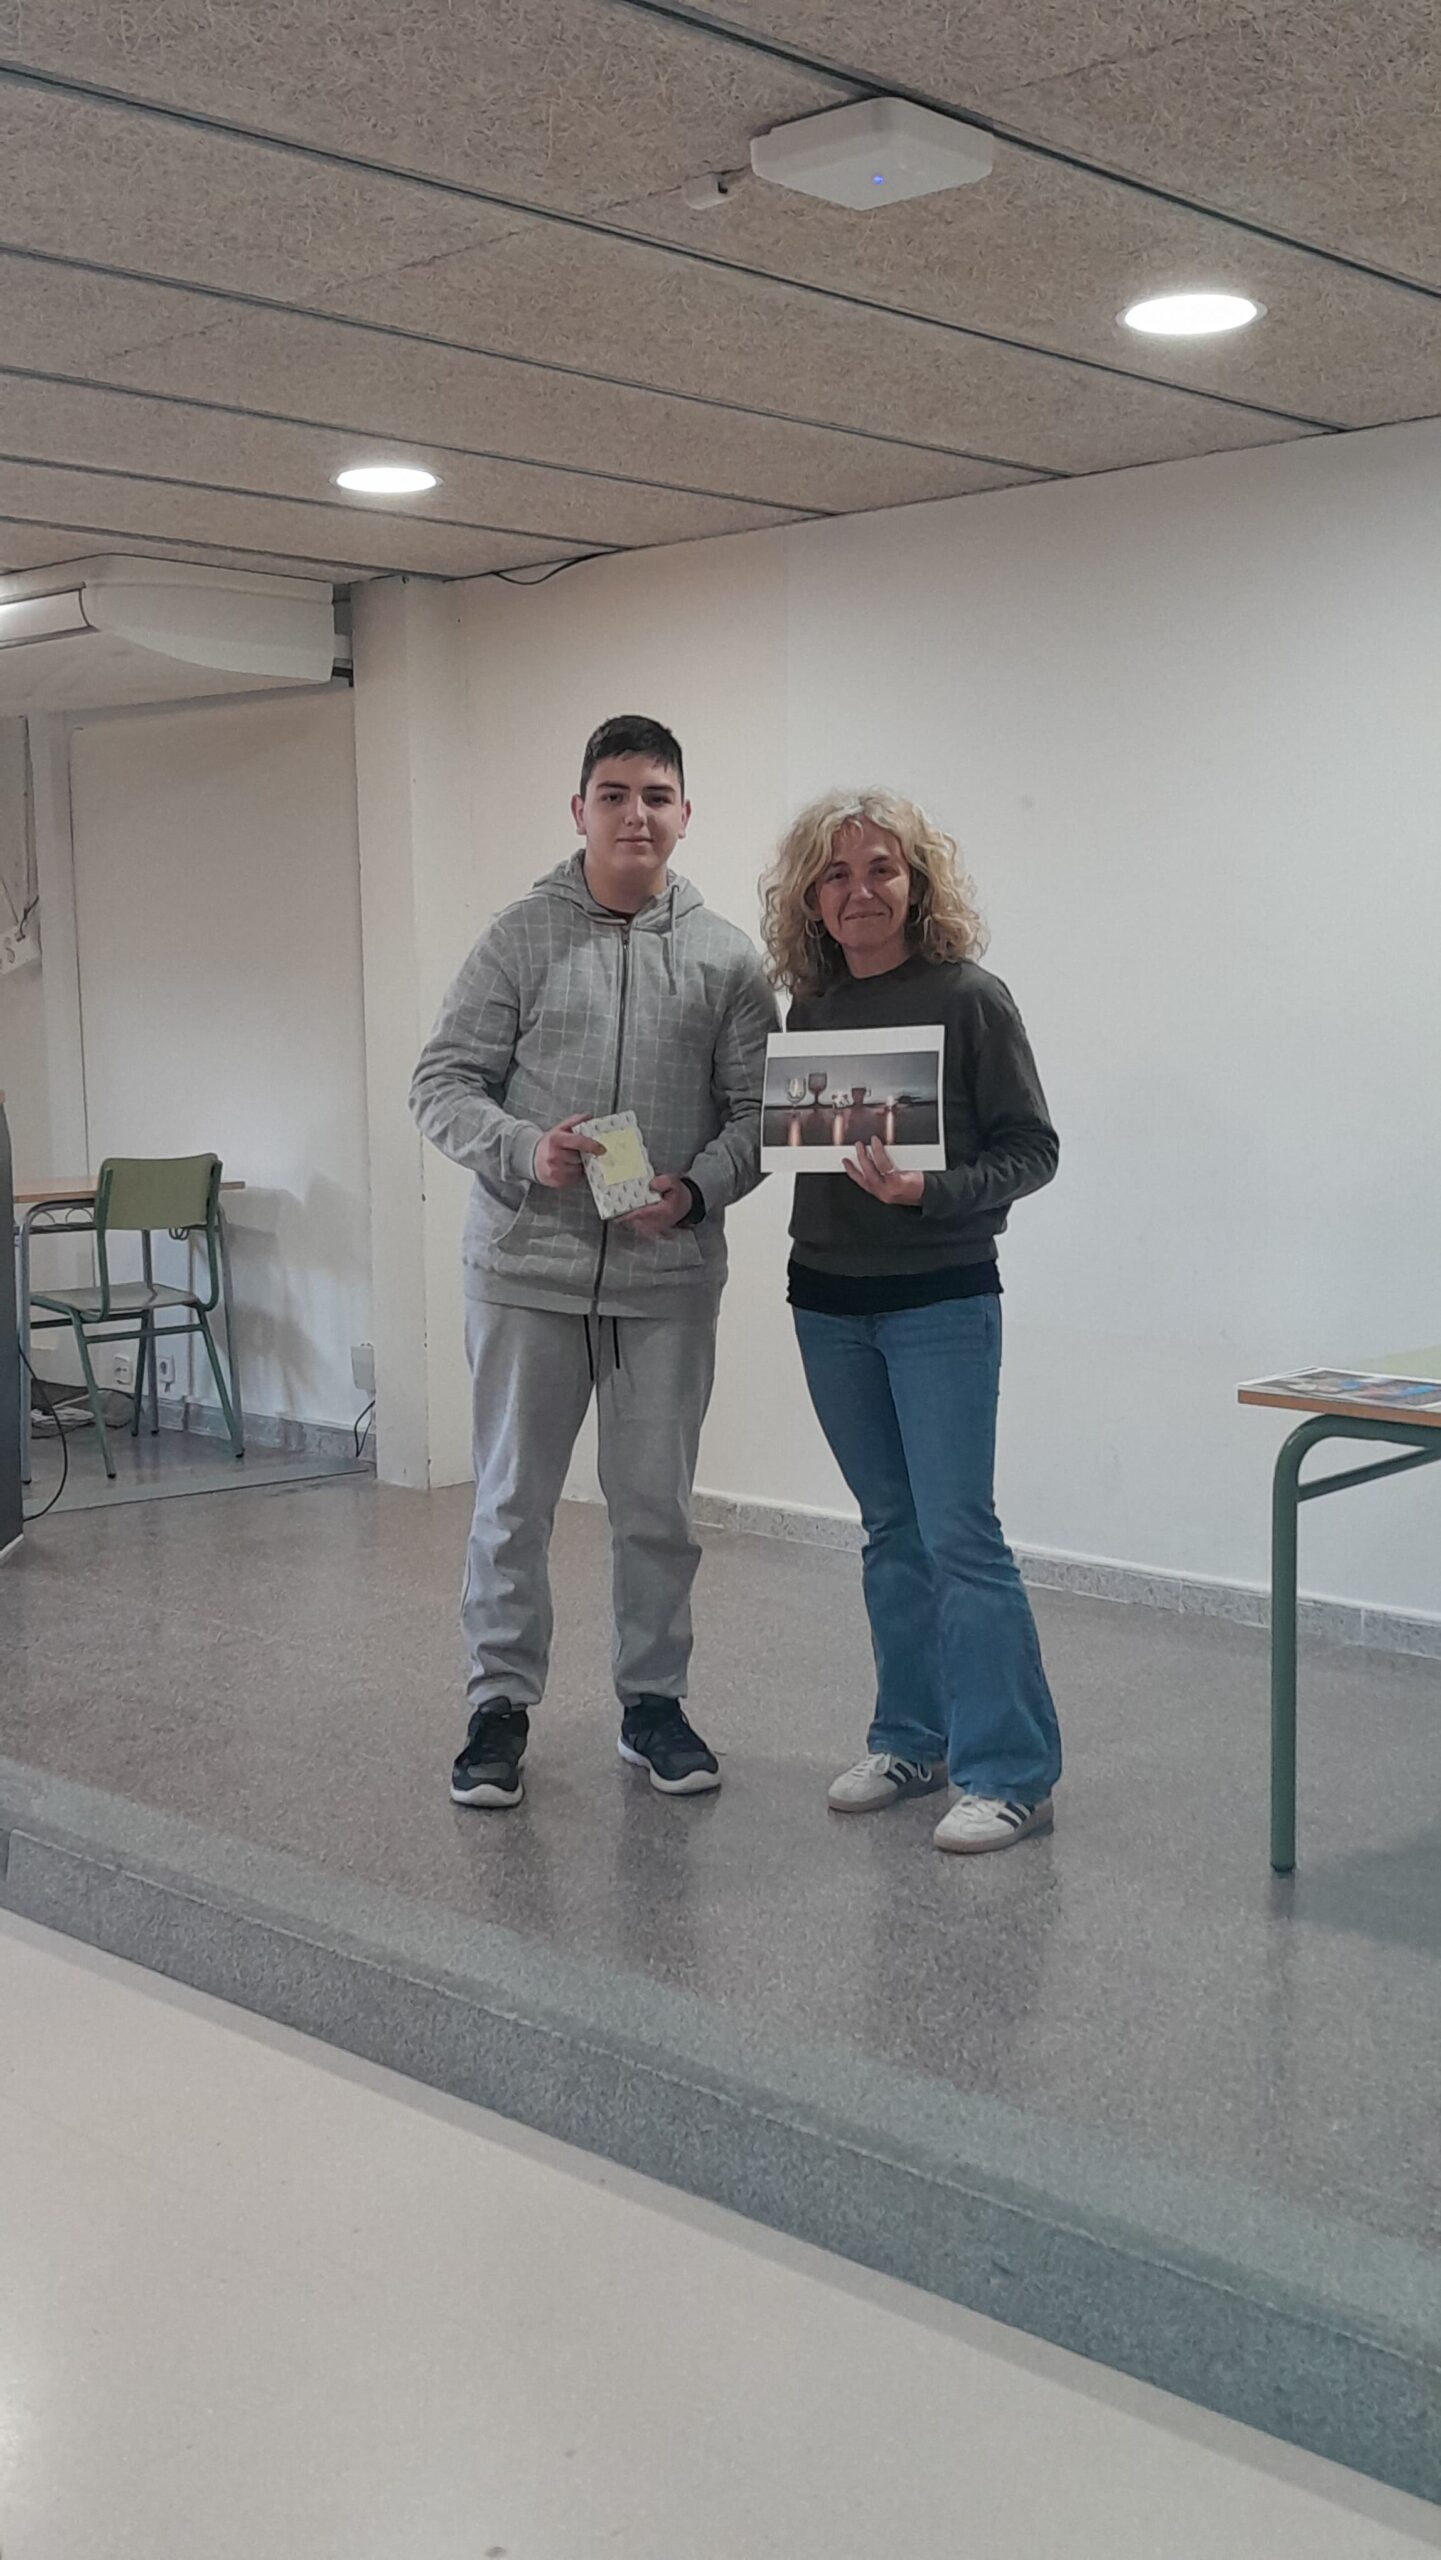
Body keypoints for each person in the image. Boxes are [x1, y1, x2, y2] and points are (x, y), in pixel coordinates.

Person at [411, 715, 776, 1811]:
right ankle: (497, 1708)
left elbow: (759, 1116)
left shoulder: (728, 959)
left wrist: (695, 1188)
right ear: (580, 810)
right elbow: (441, 1084)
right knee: (511, 1503)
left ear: (684, 814)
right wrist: (527, 1149)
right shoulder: (518, 937)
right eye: (613, 794)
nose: (635, 815)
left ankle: (652, 1704)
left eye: (656, 796)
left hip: (667, 1283)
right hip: (525, 1269)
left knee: (656, 1509)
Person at [761, 789, 1062, 1855]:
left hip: (939, 1297)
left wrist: (926, 1192)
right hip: (826, 1300)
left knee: (959, 1535)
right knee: (890, 1530)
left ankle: (1010, 1773)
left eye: (881, 869)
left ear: (917, 882)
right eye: (836, 875)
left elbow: (1032, 1150)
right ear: (811, 898)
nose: (860, 891)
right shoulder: (807, 1012)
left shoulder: (970, 999)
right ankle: (909, 1740)